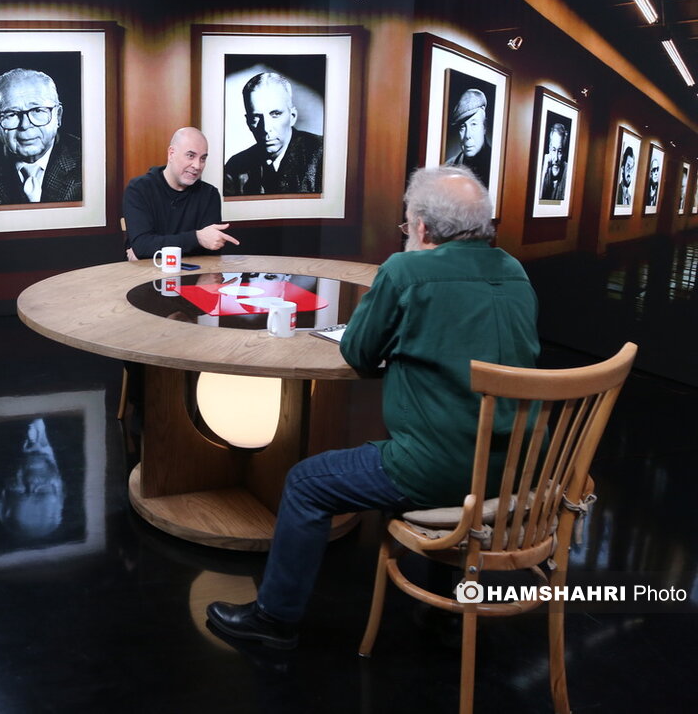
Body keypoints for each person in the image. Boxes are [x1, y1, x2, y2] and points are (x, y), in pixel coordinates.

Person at [206, 165, 539, 649]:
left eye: (407, 224)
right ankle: (442, 609)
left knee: (305, 483)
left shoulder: (406, 271)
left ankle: (273, 619)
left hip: (435, 470)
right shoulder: (514, 271)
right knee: (456, 432)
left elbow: (359, 352)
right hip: (517, 471)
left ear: (421, 227)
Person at [123, 126, 239, 261]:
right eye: (190, 156)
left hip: (196, 272)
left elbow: (210, 252)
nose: (197, 165)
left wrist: (152, 249)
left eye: (203, 159)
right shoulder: (139, 189)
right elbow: (143, 247)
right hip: (146, 273)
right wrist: (197, 238)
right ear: (171, 154)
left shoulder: (210, 194)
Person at [0, 68, 81, 206]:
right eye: (11, 114)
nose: (25, 125)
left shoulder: (88, 162)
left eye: (37, 110)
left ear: (58, 117)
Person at [223, 72, 324, 196]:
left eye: (275, 114)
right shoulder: (235, 167)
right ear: (248, 122)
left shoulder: (323, 155)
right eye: (256, 117)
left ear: (292, 116)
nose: (266, 128)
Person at [443, 87, 493, 187]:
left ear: (484, 127)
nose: (467, 135)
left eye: (473, 124)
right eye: (462, 127)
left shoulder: (496, 164)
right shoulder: (449, 167)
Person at [539, 122, 568, 202]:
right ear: (549, 149)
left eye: (560, 151)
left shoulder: (568, 172)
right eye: (553, 150)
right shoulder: (542, 168)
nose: (556, 159)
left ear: (564, 153)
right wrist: (544, 172)